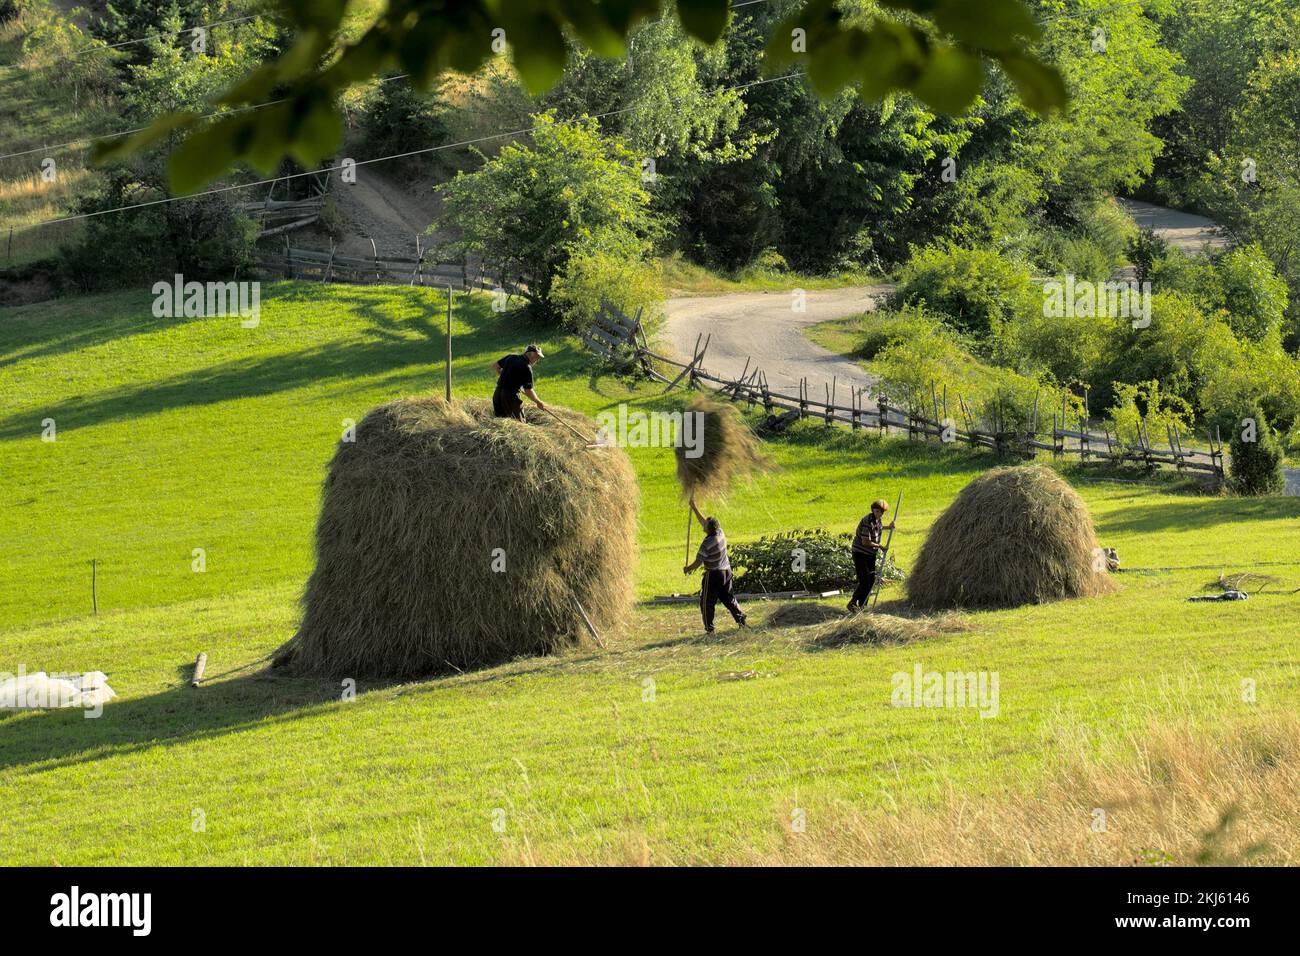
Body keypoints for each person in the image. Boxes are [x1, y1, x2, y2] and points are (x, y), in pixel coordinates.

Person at [682, 495, 747, 633]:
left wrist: (688, 568)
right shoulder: (720, 533)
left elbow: (698, 562)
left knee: (707, 602)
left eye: (705, 525)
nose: (703, 524)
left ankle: (710, 630)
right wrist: (694, 508)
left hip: (713, 575)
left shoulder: (706, 544)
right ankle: (741, 620)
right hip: (726, 572)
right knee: (728, 598)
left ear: (708, 529)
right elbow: (705, 522)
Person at [847, 498, 895, 612]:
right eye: (876, 511)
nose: (878, 513)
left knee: (871, 581)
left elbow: (878, 528)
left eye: (880, 512)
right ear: (873, 510)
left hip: (870, 554)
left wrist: (889, 527)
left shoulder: (877, 521)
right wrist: (880, 547)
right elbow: (865, 542)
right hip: (860, 553)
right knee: (865, 580)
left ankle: (862, 605)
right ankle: (852, 603)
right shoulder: (868, 521)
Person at [492, 345, 546, 420]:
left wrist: (506, 376)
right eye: (536, 356)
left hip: (497, 394)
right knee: (519, 423)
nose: (537, 359)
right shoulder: (526, 367)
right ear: (529, 353)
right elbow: (528, 390)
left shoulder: (511, 357)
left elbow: (496, 365)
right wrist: (538, 402)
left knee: (500, 421)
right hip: (510, 397)